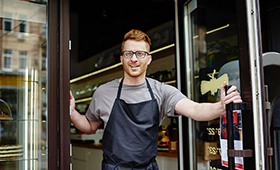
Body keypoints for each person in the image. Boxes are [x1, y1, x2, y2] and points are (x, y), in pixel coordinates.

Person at [70, 29, 242, 170]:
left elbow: (195, 110)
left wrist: (220, 106)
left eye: (140, 53)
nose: (134, 59)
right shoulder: (103, 92)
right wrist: (71, 113)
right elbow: (90, 127)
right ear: (121, 59)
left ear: (149, 58)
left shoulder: (162, 91)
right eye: (129, 53)